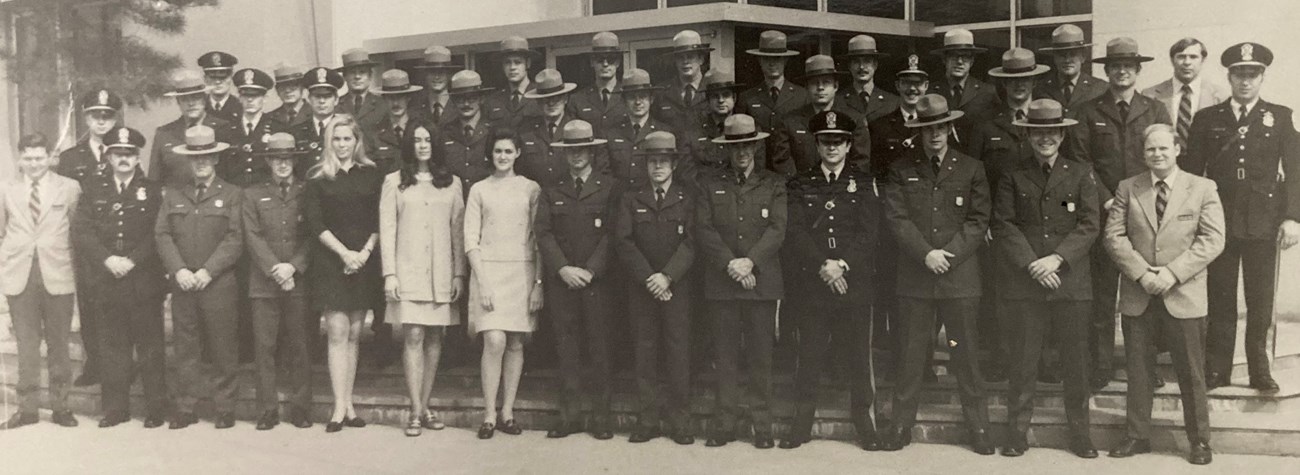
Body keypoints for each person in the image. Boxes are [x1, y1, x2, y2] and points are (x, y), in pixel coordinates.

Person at [1104, 123, 1225, 465]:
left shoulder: (1202, 188)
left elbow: (1213, 240)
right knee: (1138, 370)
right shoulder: (1128, 188)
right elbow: (1114, 237)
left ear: (1177, 149)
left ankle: (1199, 440)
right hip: (1139, 292)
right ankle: (1137, 435)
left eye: (1163, 148)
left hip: (1183, 293)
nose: (1157, 154)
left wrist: (1171, 274)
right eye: (1150, 150)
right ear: (1143, 155)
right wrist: (1143, 274)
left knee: (1191, 372)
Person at [879, 94, 993, 455]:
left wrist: (950, 255)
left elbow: (978, 221)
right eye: (928, 129)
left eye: (941, 127)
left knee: (966, 357)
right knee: (910, 357)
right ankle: (900, 425)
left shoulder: (971, 168)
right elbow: (897, 218)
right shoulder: (900, 168)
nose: (935, 135)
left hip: (960, 279)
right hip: (916, 276)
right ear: (919, 131)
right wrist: (926, 253)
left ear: (950, 127)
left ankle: (979, 427)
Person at [1187, 42, 1300, 393]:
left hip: (1263, 223)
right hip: (1218, 221)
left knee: (1260, 301)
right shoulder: (1207, 119)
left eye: (1252, 74)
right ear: (1229, 76)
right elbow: (1191, 172)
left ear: (1262, 76)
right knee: (1220, 298)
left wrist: (1293, 217)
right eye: (1239, 74)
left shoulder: (1280, 116)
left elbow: (1296, 170)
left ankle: (1259, 370)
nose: (1245, 81)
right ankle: (1218, 368)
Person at [991, 99, 1100, 458]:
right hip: (1027, 281)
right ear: (1028, 135)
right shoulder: (1012, 173)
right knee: (1023, 362)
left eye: (1052, 132)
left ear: (1062, 133)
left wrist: (1057, 259)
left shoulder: (1082, 172)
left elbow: (1089, 224)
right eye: (1038, 133)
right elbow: (1003, 224)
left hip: (1070, 282)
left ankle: (1081, 434)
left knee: (1075, 364)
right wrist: (1032, 264)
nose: (1045, 139)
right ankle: (1016, 432)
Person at [1066, 37, 1171, 391]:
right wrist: (1108, 199)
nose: (1121, 71)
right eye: (1115, 66)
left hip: (1145, 214)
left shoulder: (1155, 110)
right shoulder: (1088, 111)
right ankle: (1101, 365)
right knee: (1101, 294)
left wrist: (1140, 204)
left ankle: (1145, 365)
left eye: (1128, 65)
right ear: (1106, 71)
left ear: (1138, 70)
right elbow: (1081, 161)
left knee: (1145, 290)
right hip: (1105, 212)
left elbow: (1164, 160)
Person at [780, 110, 882, 451]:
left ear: (849, 144)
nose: (832, 147)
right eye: (826, 141)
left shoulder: (864, 183)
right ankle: (802, 420)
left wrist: (843, 264)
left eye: (838, 141)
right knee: (808, 354)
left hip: (853, 283)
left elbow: (870, 233)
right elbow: (794, 232)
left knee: (857, 354)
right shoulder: (800, 183)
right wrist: (824, 266)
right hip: (814, 282)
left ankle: (863, 420)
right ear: (817, 143)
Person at [696, 113, 786, 449]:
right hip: (722, 283)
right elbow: (704, 229)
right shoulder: (709, 183)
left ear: (756, 146)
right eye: (735, 146)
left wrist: (750, 263)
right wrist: (730, 264)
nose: (742, 152)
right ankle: (725, 423)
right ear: (727, 150)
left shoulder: (774, 183)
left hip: (761, 282)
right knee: (726, 355)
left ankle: (761, 425)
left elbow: (777, 229)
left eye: (747, 145)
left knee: (761, 358)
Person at [72, 126, 167, 429]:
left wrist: (133, 260)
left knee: (150, 348)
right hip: (108, 279)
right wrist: (107, 259)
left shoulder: (152, 190)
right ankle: (115, 409)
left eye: (129, 154)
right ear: (109, 156)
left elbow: (159, 233)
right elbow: (82, 231)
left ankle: (156, 408)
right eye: (118, 153)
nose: (124, 158)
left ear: (137, 157)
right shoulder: (93, 189)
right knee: (113, 348)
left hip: (143, 281)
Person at [966, 48, 1051, 383]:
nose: (1019, 86)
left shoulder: (1047, 122)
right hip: (1000, 223)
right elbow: (974, 175)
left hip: (1040, 221)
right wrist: (983, 220)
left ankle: (1041, 360)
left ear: (1033, 81)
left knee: (1039, 293)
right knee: (1000, 295)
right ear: (1003, 84)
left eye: (1025, 79)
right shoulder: (987, 126)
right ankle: (1001, 358)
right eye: (1012, 80)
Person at [535, 119, 620, 440]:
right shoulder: (552, 189)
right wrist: (563, 269)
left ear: (592, 151)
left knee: (600, 347)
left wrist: (591, 270)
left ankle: (601, 416)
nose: (576, 156)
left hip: (597, 282)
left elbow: (613, 234)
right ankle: (569, 416)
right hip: (563, 282)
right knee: (567, 348)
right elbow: (543, 233)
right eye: (570, 150)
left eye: (582, 149)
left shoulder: (610, 188)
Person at [154, 126, 244, 429]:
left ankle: (224, 407)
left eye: (207, 156)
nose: (201, 162)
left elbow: (235, 238)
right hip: (183, 282)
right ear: (189, 161)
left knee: (222, 347)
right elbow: (162, 233)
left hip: (217, 282)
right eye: (196, 158)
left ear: (215, 159)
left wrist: (209, 270)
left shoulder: (232, 194)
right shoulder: (174, 195)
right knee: (185, 347)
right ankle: (186, 407)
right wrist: (178, 269)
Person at [380, 123, 466, 437]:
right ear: (408, 145)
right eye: (416, 140)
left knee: (434, 338)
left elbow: (458, 232)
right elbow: (387, 230)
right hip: (409, 271)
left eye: (428, 139)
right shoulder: (394, 182)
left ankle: (425, 406)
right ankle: (415, 410)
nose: (422, 145)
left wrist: (459, 273)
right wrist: (390, 273)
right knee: (413, 335)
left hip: (441, 271)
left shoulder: (452, 183)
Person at [302, 115, 384, 432]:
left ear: (357, 141)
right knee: (337, 332)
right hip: (331, 261)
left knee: (354, 333)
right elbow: (315, 223)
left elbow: (379, 219)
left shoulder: (371, 174)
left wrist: (363, 253)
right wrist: (344, 254)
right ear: (328, 142)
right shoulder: (318, 177)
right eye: (336, 139)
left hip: (363, 261)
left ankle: (350, 404)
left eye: (347, 139)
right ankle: (338, 407)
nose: (342, 144)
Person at [615, 130, 696, 446]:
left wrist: (668, 277)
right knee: (645, 352)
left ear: (674, 164)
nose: (658, 167)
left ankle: (680, 421)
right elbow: (624, 240)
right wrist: (650, 278)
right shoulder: (631, 198)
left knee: (678, 352)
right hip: (643, 287)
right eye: (653, 162)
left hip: (677, 287)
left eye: (664, 161)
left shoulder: (687, 198)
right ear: (645, 165)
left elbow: (691, 242)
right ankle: (647, 420)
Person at [464, 129, 544, 439]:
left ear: (518, 153)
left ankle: (507, 412)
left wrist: (538, 283)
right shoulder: (479, 190)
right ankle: (488, 414)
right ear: (490, 153)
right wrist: (482, 281)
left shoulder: (530, 189)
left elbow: (538, 239)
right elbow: (471, 238)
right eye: (498, 151)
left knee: (515, 342)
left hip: (521, 271)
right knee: (494, 340)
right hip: (488, 273)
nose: (502, 156)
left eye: (508, 151)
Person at [0, 133, 82, 431]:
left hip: (57, 272)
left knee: (59, 344)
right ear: (20, 160)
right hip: (19, 273)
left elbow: (76, 231)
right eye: (28, 158)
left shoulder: (69, 188)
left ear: (50, 158)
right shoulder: (6, 189)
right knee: (26, 345)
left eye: (39, 157)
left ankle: (61, 407)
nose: (34, 164)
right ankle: (27, 409)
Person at [240, 132, 314, 430]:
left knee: (300, 346)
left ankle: (300, 408)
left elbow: (312, 234)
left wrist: (293, 268)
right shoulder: (253, 194)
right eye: (277, 159)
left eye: (288, 159)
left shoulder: (307, 191)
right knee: (264, 348)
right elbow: (252, 235)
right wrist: (276, 269)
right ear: (268, 161)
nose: (283, 164)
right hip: (264, 283)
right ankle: (267, 409)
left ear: (295, 161)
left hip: (297, 282)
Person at [57, 88, 123, 388]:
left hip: (118, 243)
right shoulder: (71, 158)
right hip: (85, 245)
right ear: (86, 118)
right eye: (96, 115)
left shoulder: (125, 150)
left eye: (107, 116)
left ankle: (123, 365)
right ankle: (94, 364)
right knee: (89, 304)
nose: (101, 122)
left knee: (119, 307)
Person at [770, 55, 858, 176]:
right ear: (806, 87)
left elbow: (860, 161)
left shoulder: (853, 119)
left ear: (836, 86)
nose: (820, 87)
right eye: (814, 83)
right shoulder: (790, 121)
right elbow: (783, 162)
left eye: (826, 82)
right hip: (801, 190)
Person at [149, 69, 236, 190]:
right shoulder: (164, 133)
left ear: (204, 99)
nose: (191, 104)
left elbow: (232, 175)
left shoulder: (224, 129)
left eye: (195, 97)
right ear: (178, 102)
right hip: (176, 204)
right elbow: (154, 180)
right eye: (184, 99)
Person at [1141, 38, 1230, 149]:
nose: (1187, 62)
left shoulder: (1220, 96)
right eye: (1181, 57)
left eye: (1193, 57)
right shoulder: (1150, 95)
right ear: (1172, 60)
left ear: (1202, 60)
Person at [606, 68, 682, 188]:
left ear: (651, 100)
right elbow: (605, 172)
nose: (638, 102)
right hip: (619, 199)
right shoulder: (611, 134)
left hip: (649, 200)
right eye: (632, 97)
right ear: (624, 101)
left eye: (643, 96)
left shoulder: (665, 133)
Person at [519, 69, 593, 187]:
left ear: (565, 99)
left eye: (557, 98)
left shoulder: (579, 129)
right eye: (545, 99)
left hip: (569, 196)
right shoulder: (526, 131)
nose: (551, 103)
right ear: (538, 102)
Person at [930, 29, 999, 150]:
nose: (960, 62)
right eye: (954, 56)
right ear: (944, 59)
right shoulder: (930, 92)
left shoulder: (987, 92)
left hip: (977, 159)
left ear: (972, 61)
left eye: (965, 57)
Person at [221, 67, 284, 188]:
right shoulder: (227, 129)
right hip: (235, 193)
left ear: (264, 98)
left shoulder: (276, 128)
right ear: (239, 98)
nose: (250, 100)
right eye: (245, 95)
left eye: (255, 96)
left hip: (266, 193)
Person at [739, 30, 809, 132]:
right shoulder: (747, 98)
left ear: (785, 60)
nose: (772, 63)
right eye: (767, 58)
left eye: (777, 58)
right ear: (760, 61)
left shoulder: (802, 96)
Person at [441, 70, 497, 191]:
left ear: (481, 99)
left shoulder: (494, 131)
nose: (466, 104)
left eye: (471, 98)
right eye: (460, 99)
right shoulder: (445, 133)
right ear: (453, 101)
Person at [1035, 24, 1108, 116]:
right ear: (1054, 58)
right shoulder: (1041, 88)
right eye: (1062, 55)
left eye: (1073, 54)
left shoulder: (1100, 88)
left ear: (1083, 57)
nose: (1067, 60)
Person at [686, 69, 744, 181]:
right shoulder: (694, 132)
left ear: (734, 98)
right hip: (704, 194)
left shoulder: (748, 130)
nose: (721, 100)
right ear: (708, 101)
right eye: (715, 96)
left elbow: (755, 171)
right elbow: (688, 173)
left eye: (726, 95)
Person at [290, 67, 345, 180]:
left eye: (327, 96)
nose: (322, 101)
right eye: (317, 96)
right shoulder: (297, 131)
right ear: (309, 99)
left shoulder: (345, 129)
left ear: (336, 100)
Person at [570, 32, 628, 137]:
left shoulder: (629, 95)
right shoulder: (578, 99)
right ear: (592, 62)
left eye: (610, 59)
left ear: (618, 63)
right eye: (600, 59)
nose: (605, 64)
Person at [654, 30, 711, 131]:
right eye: (680, 57)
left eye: (690, 56)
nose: (685, 61)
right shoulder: (661, 92)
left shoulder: (713, 89)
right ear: (675, 61)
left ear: (701, 59)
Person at [373, 68, 425, 175]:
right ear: (384, 99)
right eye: (391, 98)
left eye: (400, 97)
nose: (396, 103)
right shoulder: (376, 133)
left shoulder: (421, 129)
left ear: (408, 98)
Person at [483, 36, 543, 129]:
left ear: (528, 63)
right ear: (502, 66)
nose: (512, 67)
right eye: (507, 62)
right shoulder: (492, 101)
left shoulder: (540, 96)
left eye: (517, 62)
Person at [838, 34, 900, 124]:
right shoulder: (838, 101)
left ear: (875, 65)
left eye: (867, 61)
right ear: (849, 66)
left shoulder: (893, 102)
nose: (862, 67)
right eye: (856, 62)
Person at [337, 48, 387, 139]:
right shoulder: (336, 105)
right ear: (345, 76)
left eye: (362, 72)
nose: (357, 76)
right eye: (352, 72)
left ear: (370, 76)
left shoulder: (382, 104)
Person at [412, 45, 460, 128]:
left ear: (449, 74)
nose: (437, 77)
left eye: (441, 72)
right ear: (425, 74)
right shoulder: (415, 108)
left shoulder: (459, 106)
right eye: (432, 72)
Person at [199, 51, 242, 122]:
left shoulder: (241, 107)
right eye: (213, 77)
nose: (217, 82)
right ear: (205, 79)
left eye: (223, 77)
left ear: (231, 77)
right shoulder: (199, 107)